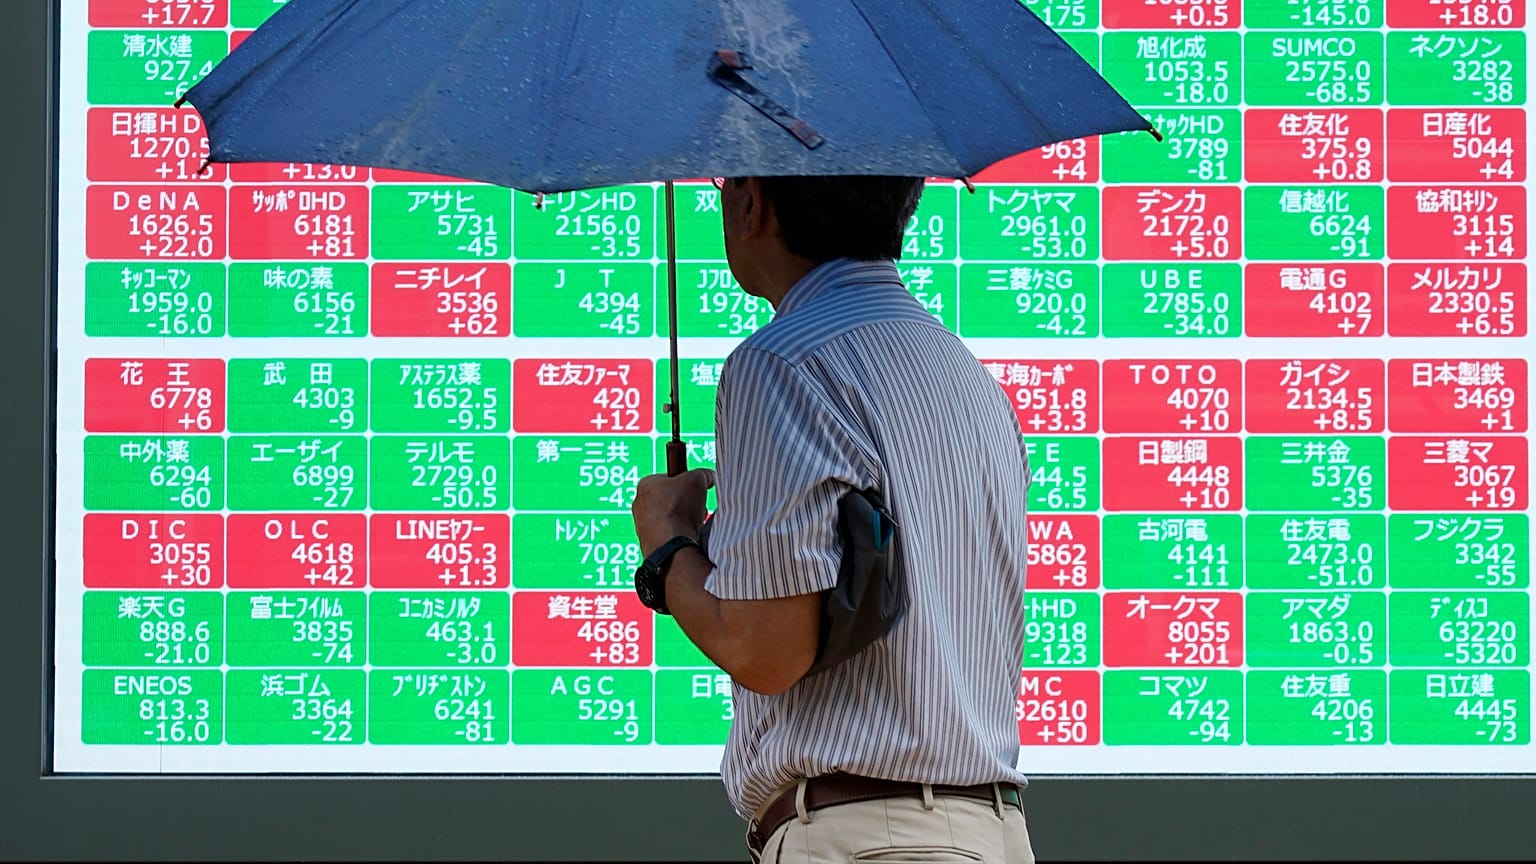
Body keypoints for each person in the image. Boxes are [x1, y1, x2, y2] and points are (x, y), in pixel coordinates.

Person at [630, 175, 1034, 863]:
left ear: (753, 202)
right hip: (988, 833)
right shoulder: (964, 372)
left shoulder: (780, 361)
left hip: (869, 839)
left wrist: (668, 547)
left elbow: (768, 649)